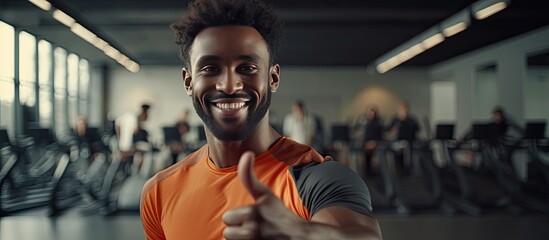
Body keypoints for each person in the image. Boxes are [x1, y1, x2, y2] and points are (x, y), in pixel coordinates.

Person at [140, 0, 382, 239]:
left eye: (246, 68)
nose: (229, 86)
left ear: (273, 78)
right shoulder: (158, 191)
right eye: (210, 68)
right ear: (189, 82)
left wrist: (303, 234)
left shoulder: (315, 177)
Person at [363, 106, 384, 176]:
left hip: (376, 144)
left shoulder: (378, 124)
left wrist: (374, 143)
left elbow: (380, 137)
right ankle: (367, 173)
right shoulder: (365, 124)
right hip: (366, 144)